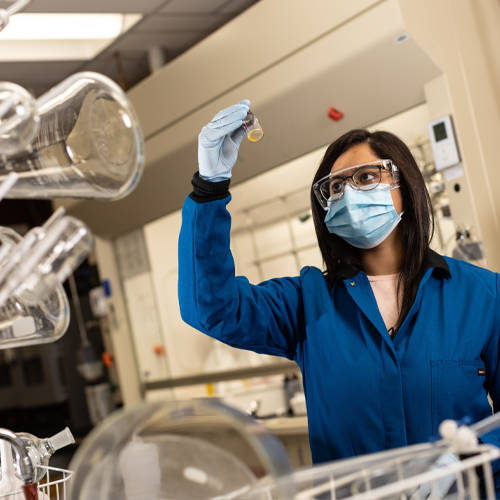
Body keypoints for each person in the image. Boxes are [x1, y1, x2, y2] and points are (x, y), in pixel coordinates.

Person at [178, 100, 500, 485]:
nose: (347, 193)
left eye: (365, 178)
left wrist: (469, 456)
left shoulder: (483, 295)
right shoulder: (306, 302)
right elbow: (210, 308)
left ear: (406, 186)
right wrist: (209, 188)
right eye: (335, 186)